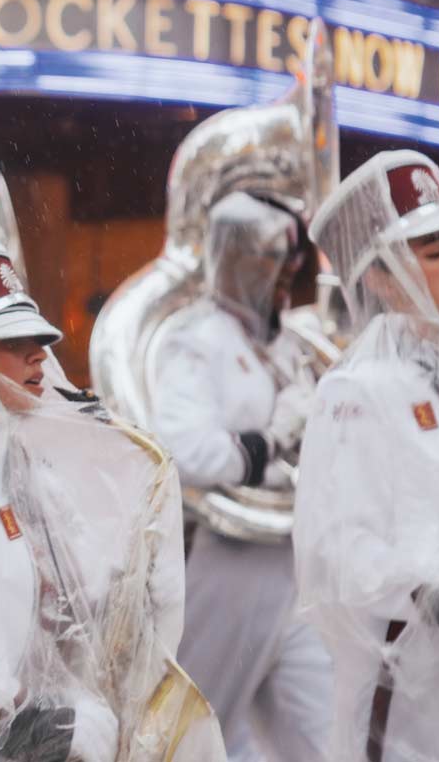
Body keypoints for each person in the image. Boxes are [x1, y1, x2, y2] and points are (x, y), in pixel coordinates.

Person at [0, 240, 221, 762]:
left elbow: (80, 603)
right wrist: (49, 725)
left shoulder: (21, 456)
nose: (38, 354)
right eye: (11, 343)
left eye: (36, 339)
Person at [148, 190, 332, 762]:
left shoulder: (282, 343)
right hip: (229, 562)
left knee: (324, 736)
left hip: (292, 561)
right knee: (199, 732)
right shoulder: (193, 337)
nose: (284, 277)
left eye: (289, 264)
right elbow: (188, 451)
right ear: (234, 257)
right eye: (272, 260)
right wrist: (273, 437)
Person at [295, 150, 439, 762]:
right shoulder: (357, 391)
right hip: (401, 702)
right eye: (434, 255)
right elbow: (335, 556)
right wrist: (428, 590)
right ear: (382, 278)